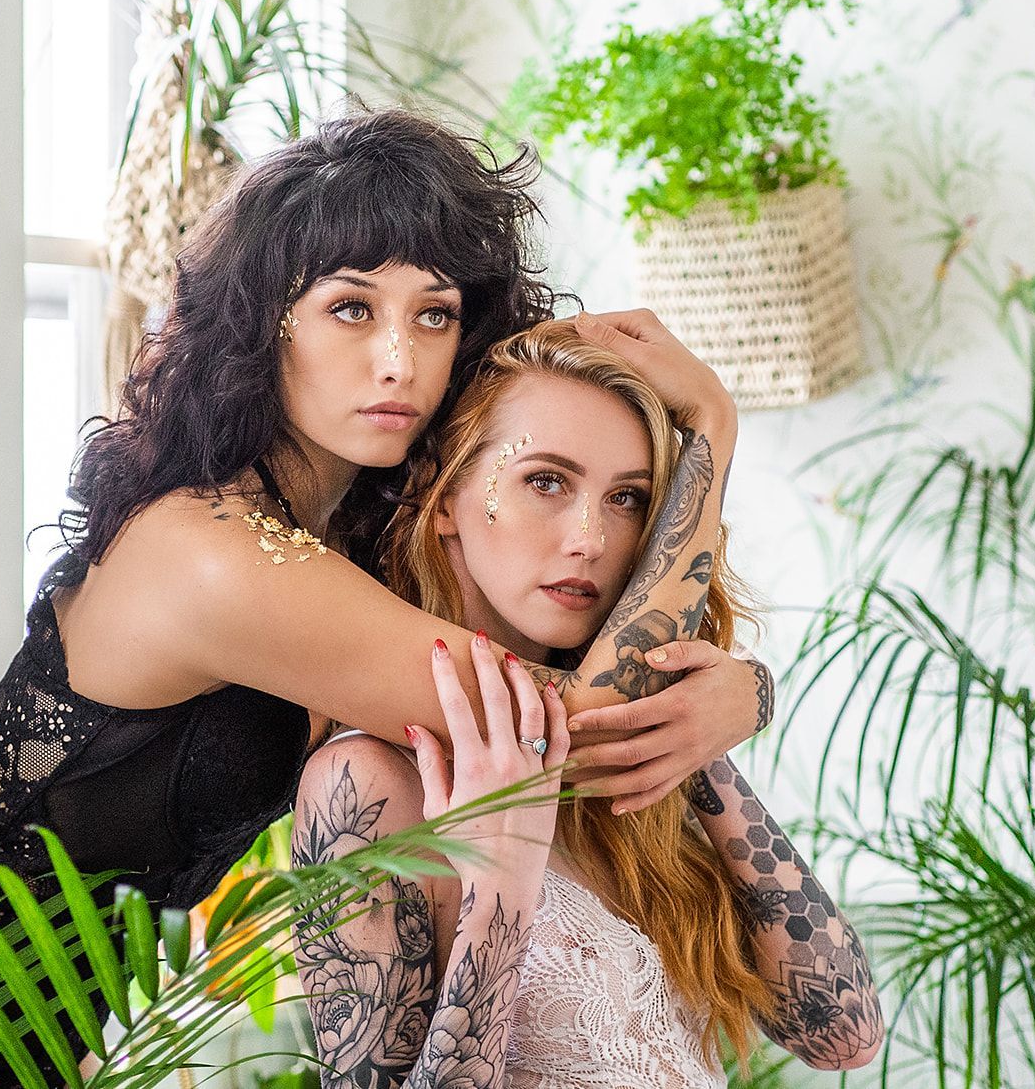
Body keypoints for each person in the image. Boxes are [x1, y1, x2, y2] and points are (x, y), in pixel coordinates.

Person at [0, 109, 769, 1075]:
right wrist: (711, 425)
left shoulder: (334, 536)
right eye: (351, 309)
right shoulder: (213, 555)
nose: (398, 360)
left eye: (435, 314)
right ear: (262, 322)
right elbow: (567, 726)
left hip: (8, 1050)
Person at [292, 322, 885, 1088]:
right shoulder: (367, 782)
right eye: (545, 481)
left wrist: (689, 734)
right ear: (445, 496)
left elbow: (844, 1032)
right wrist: (500, 891)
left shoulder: (620, 781)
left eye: (627, 498)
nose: (591, 538)